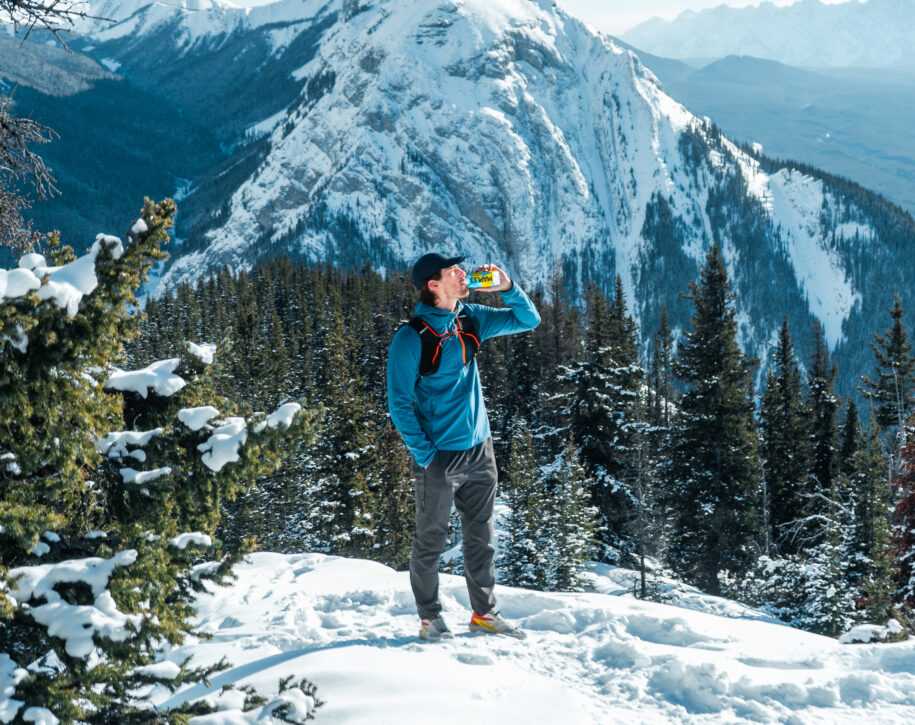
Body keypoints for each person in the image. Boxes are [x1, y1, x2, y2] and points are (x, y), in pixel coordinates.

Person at [387, 252, 541, 641]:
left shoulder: (469, 317)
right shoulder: (411, 338)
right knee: (430, 541)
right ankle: (430, 618)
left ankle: (485, 614)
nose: (462, 273)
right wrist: (427, 457)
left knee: (481, 540)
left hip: (480, 449)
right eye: (452, 271)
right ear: (434, 286)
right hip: (439, 458)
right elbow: (399, 404)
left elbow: (529, 320)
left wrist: (507, 287)